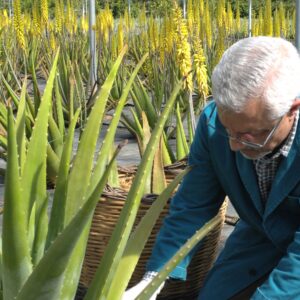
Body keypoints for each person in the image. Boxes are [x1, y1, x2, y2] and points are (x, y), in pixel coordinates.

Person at [124, 36, 300, 299]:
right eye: (228, 129)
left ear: (292, 110)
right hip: (258, 240)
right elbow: (194, 204)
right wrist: (154, 278)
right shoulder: (212, 124)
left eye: (248, 134)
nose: (233, 145)